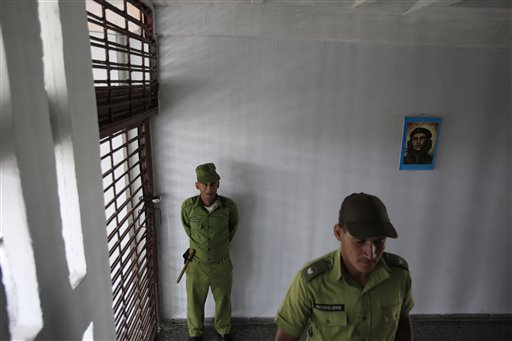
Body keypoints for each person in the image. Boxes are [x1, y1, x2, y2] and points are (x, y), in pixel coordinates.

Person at [275, 193, 414, 341]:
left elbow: (402, 320)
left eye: (379, 241)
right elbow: (286, 337)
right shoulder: (311, 282)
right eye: (360, 241)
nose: (371, 253)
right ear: (338, 233)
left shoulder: (399, 274)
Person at [181, 163, 239, 341]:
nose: (209, 188)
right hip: (196, 264)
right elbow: (188, 229)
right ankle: (195, 333)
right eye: (205, 184)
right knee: (194, 300)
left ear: (218, 185)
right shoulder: (188, 207)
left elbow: (232, 229)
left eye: (212, 183)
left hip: (221, 263)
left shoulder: (228, 206)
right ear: (197, 185)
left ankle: (223, 329)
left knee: (223, 299)